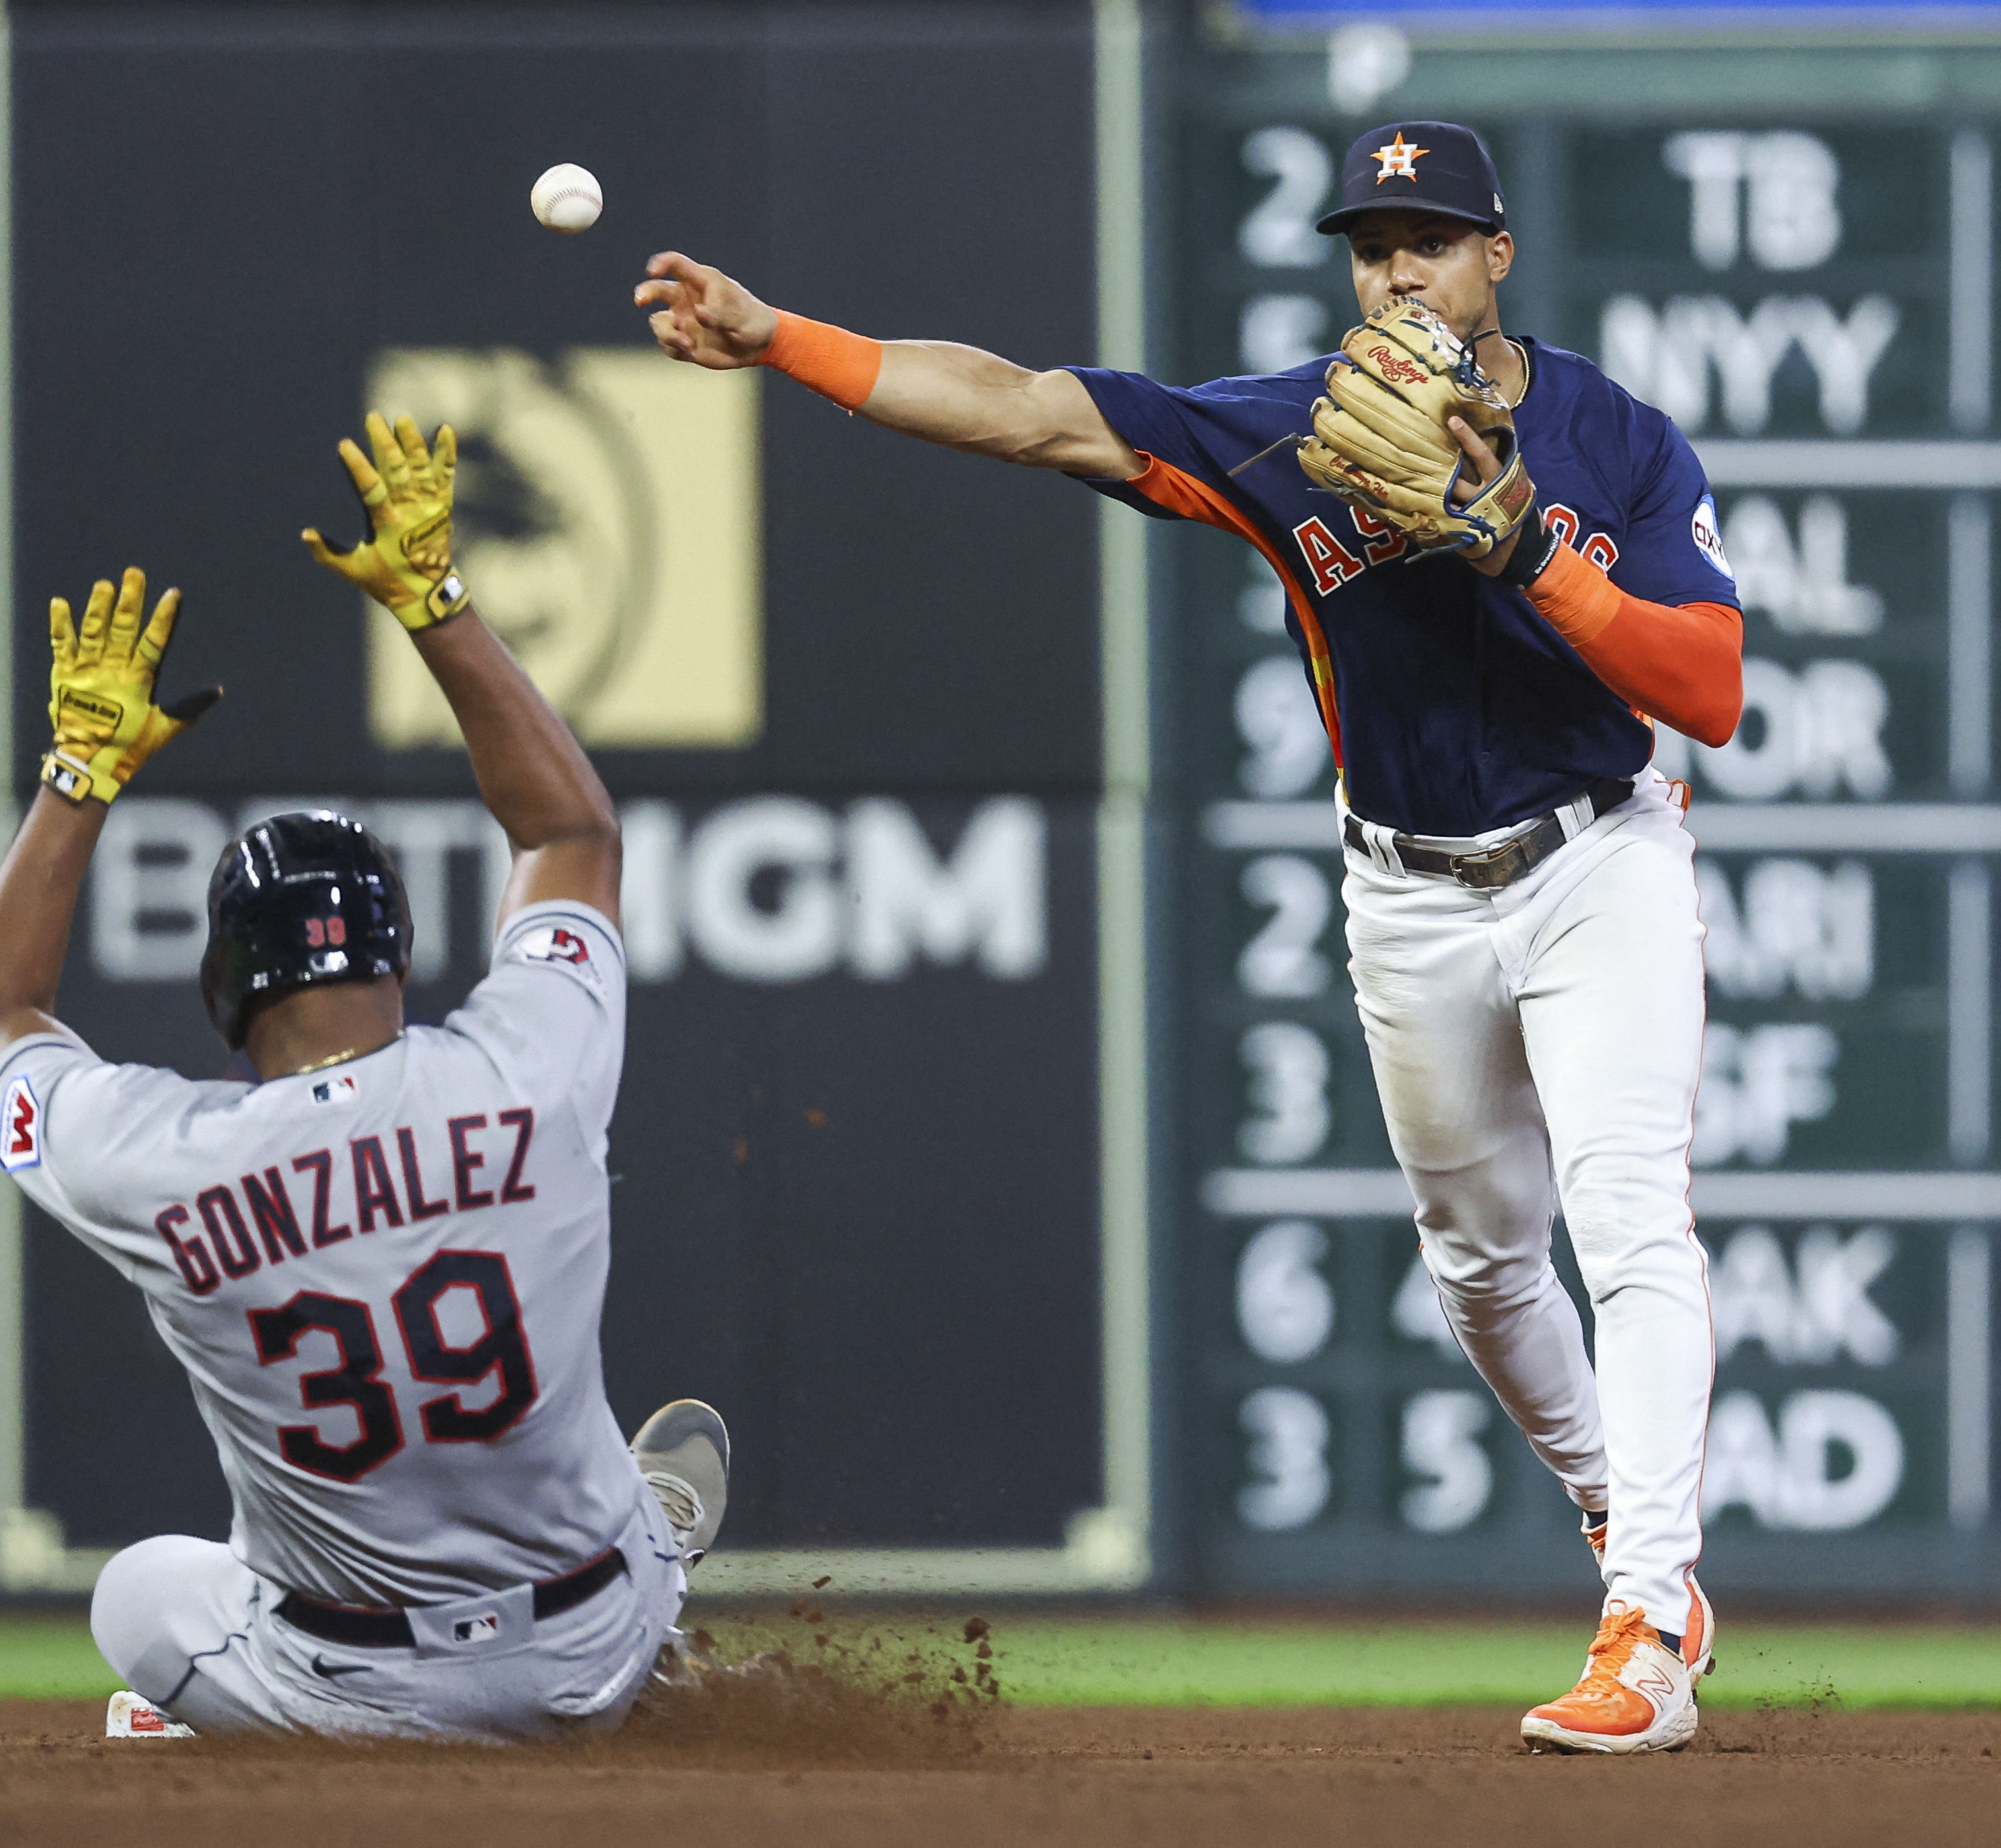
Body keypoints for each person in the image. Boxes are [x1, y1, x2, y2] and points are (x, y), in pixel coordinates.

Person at [638, 121, 1741, 1754]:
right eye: (1371, 244)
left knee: (1632, 1217)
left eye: (1429, 239)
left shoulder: (1615, 437)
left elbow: (1707, 690)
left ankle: (1647, 1619)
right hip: (1408, 888)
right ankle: (1611, 1504)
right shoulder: (1294, 433)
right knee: (1485, 1276)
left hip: (1600, 864)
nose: (1396, 268)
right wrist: (777, 337)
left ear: (1495, 257)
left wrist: (1522, 551)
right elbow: (1022, 411)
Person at [0, 415, 729, 1742]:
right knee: (607, 1498)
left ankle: (214, 1729)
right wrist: (439, 607)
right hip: (592, 1649)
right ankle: (645, 1565)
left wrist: (77, 780)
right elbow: (571, 829)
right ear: (398, 953)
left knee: (137, 1595)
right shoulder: (532, 1063)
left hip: (345, 1696)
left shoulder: (159, 1163)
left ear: (228, 987)